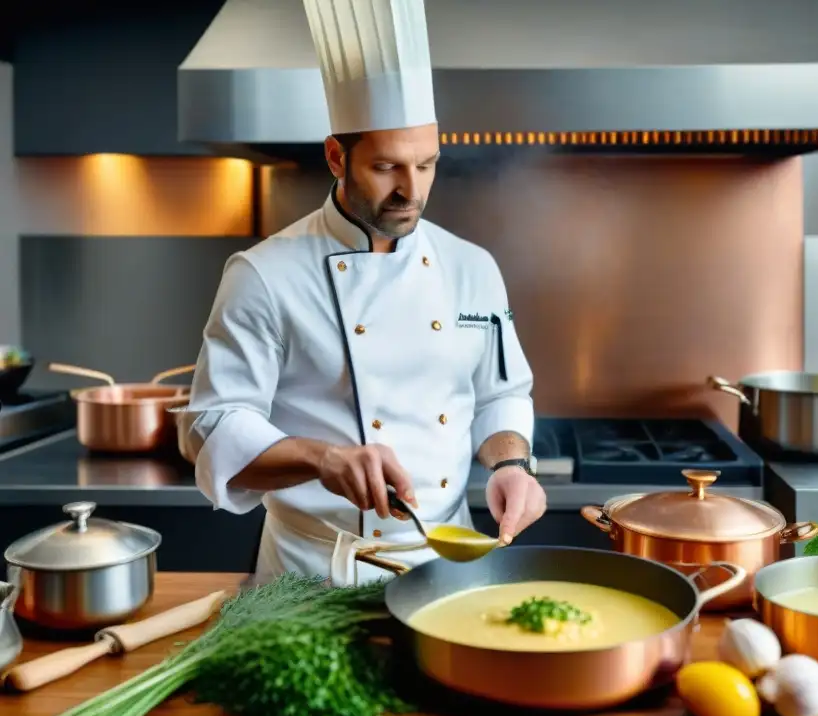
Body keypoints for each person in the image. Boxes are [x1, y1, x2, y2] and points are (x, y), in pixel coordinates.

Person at [181, 0, 546, 584]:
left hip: (445, 563)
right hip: (311, 572)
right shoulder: (264, 274)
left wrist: (511, 465)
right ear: (336, 157)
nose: (411, 190)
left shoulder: (471, 266)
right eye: (386, 167)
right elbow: (211, 427)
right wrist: (322, 459)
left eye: (426, 165)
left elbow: (500, 395)